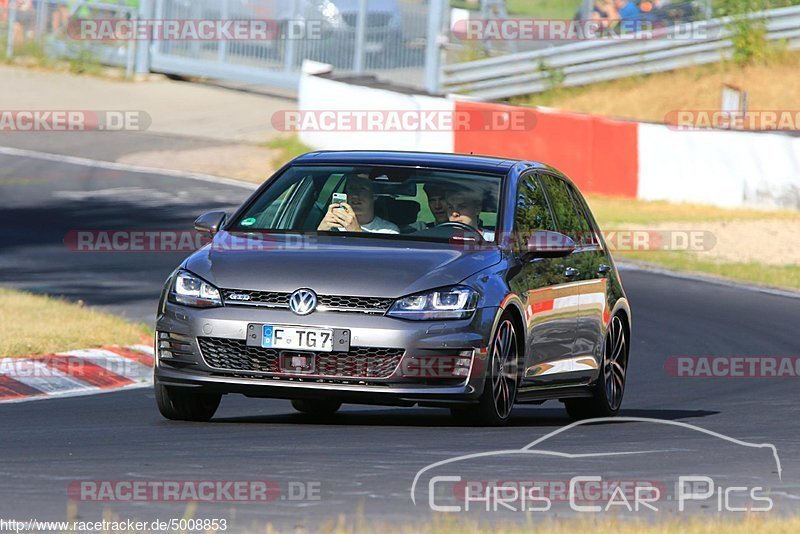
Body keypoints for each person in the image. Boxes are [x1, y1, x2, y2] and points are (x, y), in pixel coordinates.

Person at [317, 175, 400, 234]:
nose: (355, 195)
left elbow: (378, 258)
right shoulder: (332, 224)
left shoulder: (388, 230)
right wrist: (320, 231)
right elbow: (308, 248)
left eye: (362, 189)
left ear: (374, 195)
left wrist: (356, 231)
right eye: (351, 188)